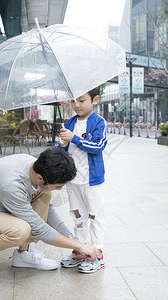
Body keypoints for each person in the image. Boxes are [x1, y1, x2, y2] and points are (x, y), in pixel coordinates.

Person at [0, 148, 99, 277]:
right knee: (19, 230)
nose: (59, 189)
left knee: (44, 193)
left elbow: (48, 209)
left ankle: (24, 253)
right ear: (40, 178)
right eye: (58, 186)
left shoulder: (33, 165)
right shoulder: (11, 185)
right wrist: (80, 246)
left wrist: (74, 241)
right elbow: (39, 228)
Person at [57, 86, 107, 273]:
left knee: (95, 215)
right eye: (73, 101)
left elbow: (98, 146)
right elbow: (62, 148)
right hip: (73, 180)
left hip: (91, 180)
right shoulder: (70, 122)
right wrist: (62, 144)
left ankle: (97, 253)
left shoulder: (98, 122)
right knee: (77, 216)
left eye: (81, 100)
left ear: (95, 100)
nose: (76, 105)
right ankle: (81, 250)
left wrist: (75, 138)